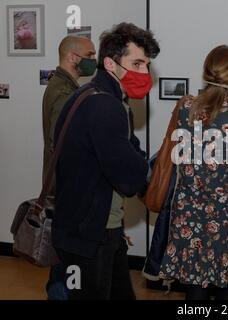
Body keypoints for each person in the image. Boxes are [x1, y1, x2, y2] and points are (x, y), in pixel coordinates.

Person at [52, 22, 159, 300]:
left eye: (146, 65)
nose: (144, 73)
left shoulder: (103, 98)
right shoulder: (104, 105)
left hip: (101, 229)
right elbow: (129, 178)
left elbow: (131, 152)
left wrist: (139, 162)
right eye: (136, 64)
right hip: (87, 236)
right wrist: (146, 167)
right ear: (111, 64)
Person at [158, 45, 228, 300]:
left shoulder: (185, 111)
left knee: (195, 286)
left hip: (189, 212)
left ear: (206, 74)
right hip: (227, 217)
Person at [42, 35, 96, 300]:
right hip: (66, 190)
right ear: (74, 57)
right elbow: (62, 145)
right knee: (64, 266)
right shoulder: (63, 93)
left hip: (64, 189)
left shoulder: (64, 85)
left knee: (63, 262)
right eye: (90, 54)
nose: (94, 60)